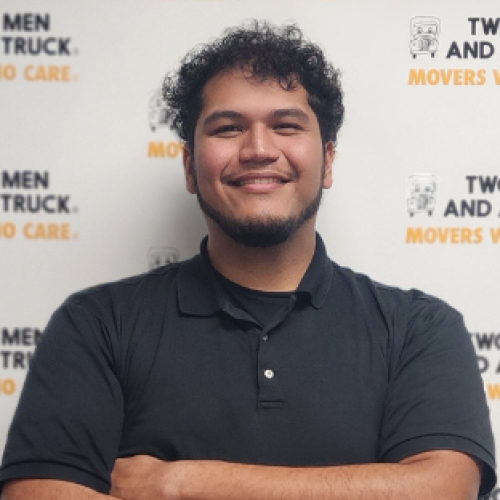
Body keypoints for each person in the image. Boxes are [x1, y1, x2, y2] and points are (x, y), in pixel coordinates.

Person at [0, 21, 496, 500]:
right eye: (228, 127)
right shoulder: (97, 324)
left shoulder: (419, 329)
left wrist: (181, 484)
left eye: (285, 125)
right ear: (191, 168)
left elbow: (442, 490)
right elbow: (36, 494)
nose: (259, 149)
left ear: (327, 161)